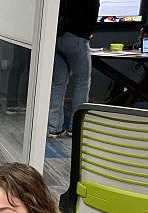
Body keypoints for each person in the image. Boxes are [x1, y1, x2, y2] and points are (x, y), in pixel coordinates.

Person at [47, 0, 100, 137]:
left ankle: (54, 127)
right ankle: (75, 127)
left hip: (57, 35)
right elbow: (93, 11)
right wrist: (88, 33)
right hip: (76, 37)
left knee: (58, 84)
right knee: (82, 82)